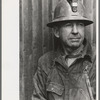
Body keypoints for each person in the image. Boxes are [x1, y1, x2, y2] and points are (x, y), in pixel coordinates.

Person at [32, 0, 96, 100]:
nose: (75, 31)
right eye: (69, 25)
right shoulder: (46, 63)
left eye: (80, 24)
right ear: (57, 31)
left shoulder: (95, 60)